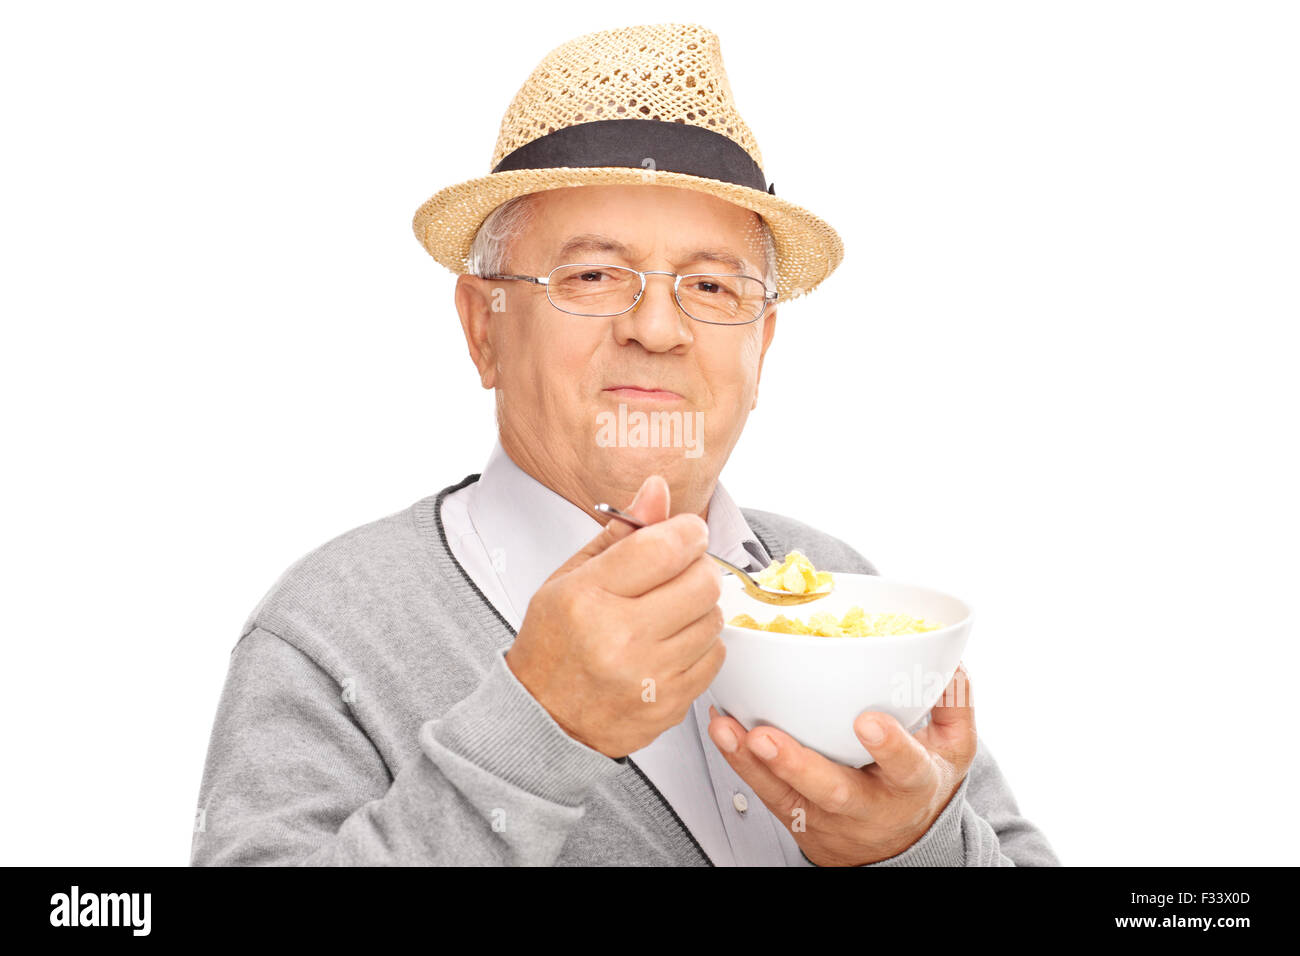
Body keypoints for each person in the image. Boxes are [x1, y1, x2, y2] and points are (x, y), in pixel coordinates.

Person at [190, 22, 1058, 866]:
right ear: (481, 328)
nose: (657, 327)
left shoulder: (847, 596)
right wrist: (539, 723)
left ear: (762, 349)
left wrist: (914, 848)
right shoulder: (329, 631)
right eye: (593, 275)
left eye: (712, 286)